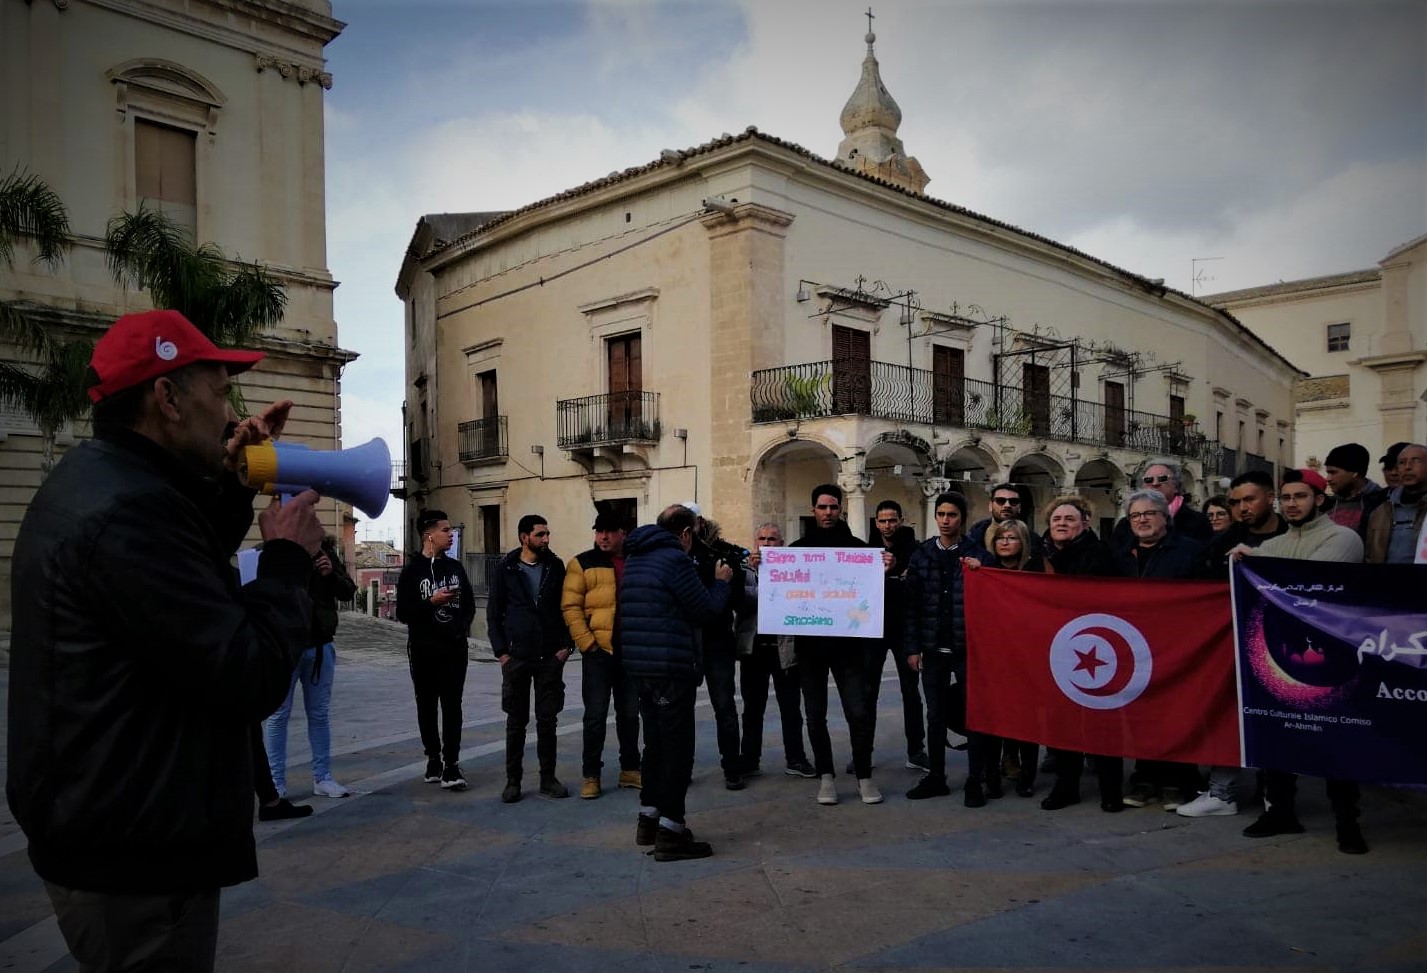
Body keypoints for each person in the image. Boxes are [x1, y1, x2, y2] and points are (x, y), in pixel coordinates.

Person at [8, 308, 322, 972]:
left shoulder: (108, 481)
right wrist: (288, 560)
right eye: (220, 393)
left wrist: (232, 484)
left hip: (108, 822)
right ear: (168, 398)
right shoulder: (133, 511)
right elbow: (249, 671)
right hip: (136, 852)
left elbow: (177, 585)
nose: (230, 414)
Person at [1233, 469, 1368, 854]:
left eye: (1300, 496)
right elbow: (1259, 570)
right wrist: (1247, 558)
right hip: (1280, 652)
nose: (1291, 504)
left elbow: (1309, 578)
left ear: (1319, 500)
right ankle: (1280, 812)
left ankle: (1347, 823)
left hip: (1333, 655)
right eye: (1286, 497)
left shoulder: (1343, 538)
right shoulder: (1274, 544)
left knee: (1336, 740)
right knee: (1278, 734)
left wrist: (1259, 562)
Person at [620, 505, 733, 861]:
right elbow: (706, 609)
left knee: (654, 744)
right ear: (685, 533)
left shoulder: (636, 557)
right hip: (670, 666)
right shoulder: (674, 559)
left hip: (641, 665)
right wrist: (721, 582)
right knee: (677, 749)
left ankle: (649, 819)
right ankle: (671, 830)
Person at [1179, 470, 1288, 819]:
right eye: (1236, 502)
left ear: (1270, 498)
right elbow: (1197, 571)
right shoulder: (1231, 535)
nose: (1242, 508)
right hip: (1231, 640)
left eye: (1249, 499)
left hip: (1280, 642)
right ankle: (1222, 792)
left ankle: (1275, 794)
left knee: (1274, 719)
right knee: (1225, 713)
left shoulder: (1289, 534)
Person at [792, 484, 890, 807]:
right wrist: (761, 564)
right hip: (810, 649)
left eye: (833, 507)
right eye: (822, 507)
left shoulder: (859, 550)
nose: (828, 513)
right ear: (813, 510)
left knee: (858, 712)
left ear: (841, 510)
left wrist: (884, 568)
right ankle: (826, 776)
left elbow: (872, 593)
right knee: (815, 715)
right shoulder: (797, 550)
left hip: (850, 649)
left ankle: (864, 775)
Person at [1112, 490, 1207, 810]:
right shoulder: (1121, 555)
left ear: (1165, 517)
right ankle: (1145, 778)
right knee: (1142, 716)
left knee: (1177, 715)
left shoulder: (1190, 552)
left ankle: (1178, 781)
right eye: (1135, 515)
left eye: (1149, 513)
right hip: (1135, 647)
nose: (1142, 520)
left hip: (1178, 646)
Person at [904, 491, 996, 806]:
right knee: (935, 715)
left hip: (966, 649)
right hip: (932, 649)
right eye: (941, 514)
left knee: (974, 714)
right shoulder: (922, 554)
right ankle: (936, 776)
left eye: (952, 515)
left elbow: (991, 599)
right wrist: (913, 647)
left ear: (962, 518)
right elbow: (912, 605)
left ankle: (975, 779)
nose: (945, 520)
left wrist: (981, 573)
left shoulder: (978, 555)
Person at [1037, 494, 1125, 813]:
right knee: (1063, 721)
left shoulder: (1098, 553)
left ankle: (1110, 789)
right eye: (1057, 519)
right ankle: (1066, 786)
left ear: (1085, 523)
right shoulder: (1043, 554)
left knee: (1102, 719)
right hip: (1059, 646)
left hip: (1095, 644)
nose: (1062, 523)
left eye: (1069, 519)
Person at [264, 535, 357, 800]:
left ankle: (323, 778)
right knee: (278, 715)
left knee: (319, 714)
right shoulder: (272, 552)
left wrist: (329, 575)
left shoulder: (323, 552)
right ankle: (275, 782)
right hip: (284, 646)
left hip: (320, 644)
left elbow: (348, 591)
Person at [488, 514, 572, 803]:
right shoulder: (506, 568)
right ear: (524, 537)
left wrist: (567, 646)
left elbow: (568, 607)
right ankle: (513, 781)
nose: (546, 539)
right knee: (516, 721)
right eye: (540, 534)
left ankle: (548, 778)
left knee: (548, 721)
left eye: (547, 534)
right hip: (517, 658)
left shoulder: (555, 566)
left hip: (550, 656)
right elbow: (494, 614)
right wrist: (502, 653)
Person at [562, 509, 641, 800]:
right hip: (598, 652)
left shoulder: (636, 561)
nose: (603, 537)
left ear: (623, 533)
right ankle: (591, 775)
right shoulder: (582, 563)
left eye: (609, 531)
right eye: (599, 531)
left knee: (630, 715)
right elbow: (570, 607)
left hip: (630, 651)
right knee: (595, 716)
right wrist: (588, 643)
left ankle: (630, 769)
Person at [396, 509, 475, 791]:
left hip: (454, 648)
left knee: (453, 706)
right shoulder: (412, 572)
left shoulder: (455, 568)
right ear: (429, 535)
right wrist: (431, 602)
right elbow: (403, 613)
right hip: (423, 649)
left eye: (451, 529)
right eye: (445, 530)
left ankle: (451, 764)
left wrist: (460, 627)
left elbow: (469, 605)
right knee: (426, 706)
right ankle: (433, 758)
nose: (450, 534)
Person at [738, 523, 816, 779]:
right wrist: (768, 587)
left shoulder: (794, 569)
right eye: (762, 539)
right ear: (755, 542)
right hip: (754, 649)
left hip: (785, 649)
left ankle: (796, 758)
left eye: (772, 539)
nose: (767, 544)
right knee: (752, 709)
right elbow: (740, 599)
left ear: (781, 544)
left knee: (791, 708)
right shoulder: (743, 570)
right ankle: (749, 760)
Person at [680, 501, 745, 790]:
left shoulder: (723, 553)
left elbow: (736, 596)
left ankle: (732, 767)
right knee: (682, 710)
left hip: (717, 640)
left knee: (724, 705)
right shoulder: (674, 556)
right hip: (685, 641)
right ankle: (682, 767)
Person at [864, 499, 928, 772]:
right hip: (873, 630)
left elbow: (918, 587)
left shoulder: (916, 551)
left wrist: (898, 574)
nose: (888, 525)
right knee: (867, 694)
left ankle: (916, 750)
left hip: (905, 631)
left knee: (911, 693)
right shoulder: (866, 551)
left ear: (901, 520)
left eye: (892, 520)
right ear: (876, 523)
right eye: (883, 521)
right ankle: (863, 752)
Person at [983, 518, 1045, 797]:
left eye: (1011, 537)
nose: (1005, 542)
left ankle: (1027, 776)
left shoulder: (1036, 571)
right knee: (994, 718)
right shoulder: (986, 571)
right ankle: (992, 775)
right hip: (995, 656)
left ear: (1023, 542)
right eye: (1000, 538)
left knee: (1027, 718)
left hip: (1027, 657)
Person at [1111, 460, 1212, 548]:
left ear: (1176, 486)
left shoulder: (1199, 522)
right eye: (1148, 480)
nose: (1155, 484)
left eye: (1163, 479)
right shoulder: (1126, 525)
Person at [1365, 443, 1427, 565]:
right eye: (1402, 463)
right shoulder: (1381, 512)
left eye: (1416, 461)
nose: (1407, 467)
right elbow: (1369, 556)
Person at [1321, 442, 1387, 537]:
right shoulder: (1326, 504)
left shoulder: (1381, 503)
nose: (1328, 478)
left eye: (1333, 472)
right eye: (1328, 473)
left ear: (1354, 473)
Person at [969, 482, 1041, 556]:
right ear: (990, 506)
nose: (1007, 505)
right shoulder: (974, 536)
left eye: (1013, 501)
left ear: (1019, 507)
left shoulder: (1033, 540)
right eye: (1000, 501)